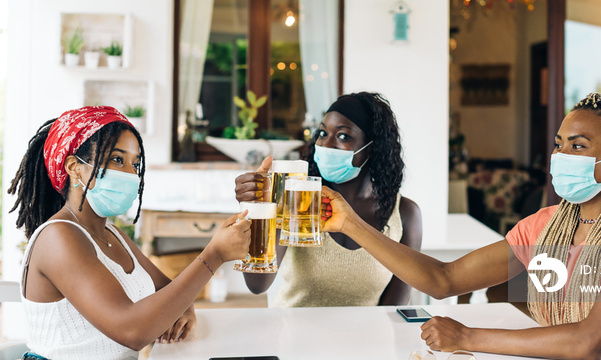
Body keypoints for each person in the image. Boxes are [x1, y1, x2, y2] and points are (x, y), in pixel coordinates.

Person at [320, 93, 601, 359]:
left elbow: (589, 342)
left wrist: (466, 336)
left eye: (578, 146)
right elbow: (444, 280)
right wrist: (350, 223)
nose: (560, 156)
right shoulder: (543, 227)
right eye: (559, 145)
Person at [9, 106, 251, 360]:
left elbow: (166, 290)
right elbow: (132, 331)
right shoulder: (58, 238)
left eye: (135, 163)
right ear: (74, 167)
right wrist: (213, 256)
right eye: (117, 159)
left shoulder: (111, 233)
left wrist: (185, 307)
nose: (130, 174)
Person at [235, 92, 422, 307]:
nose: (325, 144)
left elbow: (393, 308)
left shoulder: (405, 214)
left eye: (343, 136)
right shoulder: (299, 201)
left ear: (372, 147)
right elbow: (257, 285)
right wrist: (266, 209)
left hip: (365, 339)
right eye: (322, 133)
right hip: (292, 336)